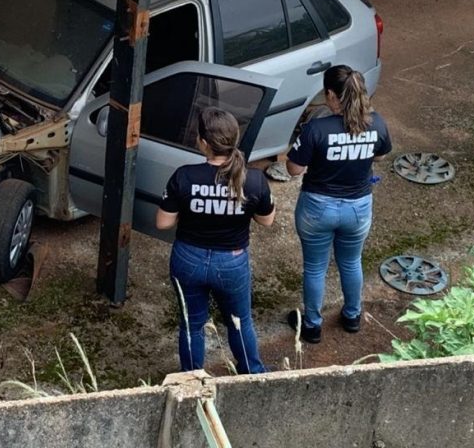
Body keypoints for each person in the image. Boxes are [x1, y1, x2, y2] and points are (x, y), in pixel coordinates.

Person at [156, 107, 276, 374]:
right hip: (232, 262)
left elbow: (163, 222)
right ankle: (252, 374)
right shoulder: (254, 180)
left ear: (203, 143)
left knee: (192, 324)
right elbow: (267, 221)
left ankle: (192, 379)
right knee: (239, 321)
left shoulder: (184, 176)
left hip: (188, 258)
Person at [286, 65, 392, 343]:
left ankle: (311, 325)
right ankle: (352, 316)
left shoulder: (316, 129)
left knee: (315, 267)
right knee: (351, 261)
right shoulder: (377, 123)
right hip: (358, 208)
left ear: (332, 95)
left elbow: (294, 169)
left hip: (317, 208)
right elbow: (380, 156)